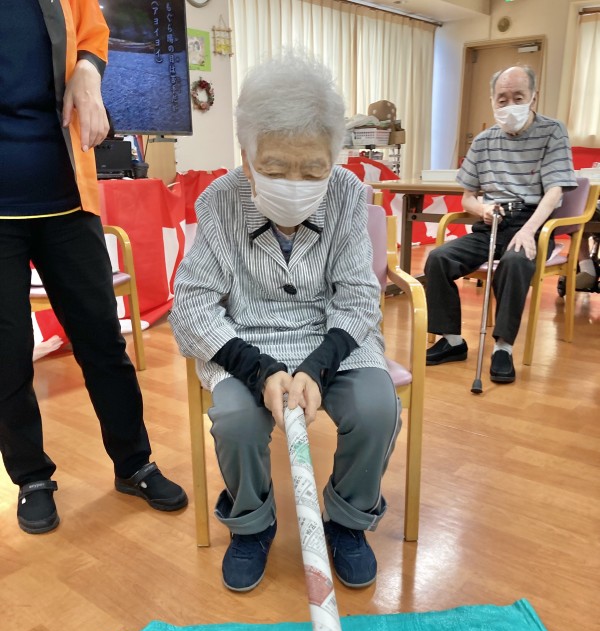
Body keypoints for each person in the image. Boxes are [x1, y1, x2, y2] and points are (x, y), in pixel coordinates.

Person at [170, 54, 400, 593]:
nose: (295, 184)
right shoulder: (219, 202)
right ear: (246, 159)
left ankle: (347, 521)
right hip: (246, 343)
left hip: (334, 341)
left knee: (376, 408)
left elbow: (358, 299)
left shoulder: (348, 195)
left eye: (313, 170)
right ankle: (252, 525)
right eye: (274, 169)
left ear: (334, 160)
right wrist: (258, 368)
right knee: (235, 421)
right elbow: (192, 307)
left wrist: (318, 367)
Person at [0, 0, 187, 535]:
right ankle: (32, 478)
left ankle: (134, 463)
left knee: (104, 341)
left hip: (67, 201)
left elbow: (93, 30)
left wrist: (87, 68)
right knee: (6, 356)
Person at [425, 65, 578, 383]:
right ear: (492, 100)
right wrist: (482, 208)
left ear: (533, 97)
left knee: (514, 262)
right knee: (438, 258)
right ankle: (452, 341)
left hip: (531, 221)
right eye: (502, 99)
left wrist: (529, 230)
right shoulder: (483, 141)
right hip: (491, 222)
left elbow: (554, 191)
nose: (509, 105)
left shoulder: (552, 131)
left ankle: (503, 348)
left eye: (518, 98)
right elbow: (467, 198)